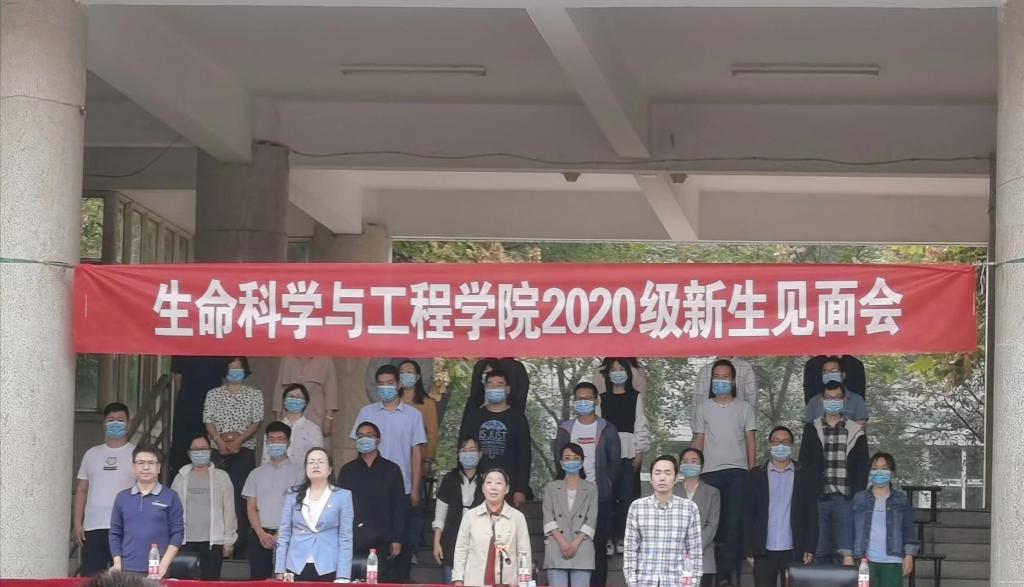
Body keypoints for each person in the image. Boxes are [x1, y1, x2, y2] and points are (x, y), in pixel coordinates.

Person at [349, 364, 426, 581]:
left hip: (402, 488)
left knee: (401, 545)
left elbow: (416, 453)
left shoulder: (413, 415)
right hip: (370, 490)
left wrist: (416, 488)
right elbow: (358, 447)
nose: (385, 388)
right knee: (371, 548)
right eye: (381, 384)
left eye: (389, 383)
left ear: (399, 384)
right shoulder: (366, 412)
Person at [691, 359, 757, 587]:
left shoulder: (744, 408)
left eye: (725, 377)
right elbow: (699, 440)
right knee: (707, 525)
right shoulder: (703, 408)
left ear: (733, 380)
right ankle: (704, 574)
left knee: (733, 525)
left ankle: (724, 576)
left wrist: (752, 469)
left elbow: (751, 440)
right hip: (709, 473)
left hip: (738, 473)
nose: (720, 381)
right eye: (716, 377)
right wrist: (694, 470)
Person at [552, 382, 620, 587]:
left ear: (596, 401)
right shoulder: (566, 429)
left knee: (597, 548)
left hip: (599, 497)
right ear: (574, 402)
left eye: (588, 398)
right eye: (579, 399)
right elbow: (558, 460)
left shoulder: (607, 429)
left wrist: (607, 485)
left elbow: (614, 462)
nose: (583, 402)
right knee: (570, 545)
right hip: (570, 498)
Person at [798, 380, 868, 567]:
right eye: (829, 398)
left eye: (837, 397)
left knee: (844, 551)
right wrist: (808, 494)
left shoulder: (855, 430)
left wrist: (856, 496)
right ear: (822, 400)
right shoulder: (811, 429)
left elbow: (862, 467)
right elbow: (804, 463)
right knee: (818, 550)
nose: (833, 401)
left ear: (844, 400)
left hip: (845, 500)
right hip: (818, 499)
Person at [203, 356, 264, 555]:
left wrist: (239, 441)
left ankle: (239, 546)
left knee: (240, 498)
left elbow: (256, 422)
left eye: (239, 368)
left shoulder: (254, 394)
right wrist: (219, 441)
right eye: (231, 368)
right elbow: (208, 420)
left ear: (245, 370)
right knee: (217, 496)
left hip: (243, 450)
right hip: (218, 451)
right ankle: (216, 542)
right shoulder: (213, 394)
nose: (235, 372)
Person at [744, 427, 818, 587]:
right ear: (769, 444)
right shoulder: (756, 475)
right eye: (776, 442)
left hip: (794, 549)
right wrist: (748, 547)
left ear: (792, 445)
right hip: (763, 549)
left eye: (785, 442)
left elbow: (811, 514)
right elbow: (747, 514)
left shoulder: (804, 474)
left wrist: (810, 546)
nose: (780, 446)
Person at [337, 421, 408, 582]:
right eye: (360, 436)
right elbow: (339, 507)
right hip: (353, 540)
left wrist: (397, 538)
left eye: (369, 435)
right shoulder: (348, 470)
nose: (364, 439)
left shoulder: (392, 469)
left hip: (383, 541)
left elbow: (399, 507)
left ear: (378, 440)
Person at [74, 402, 137, 577]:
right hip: (93, 527)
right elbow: (82, 489)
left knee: (125, 578)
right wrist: (78, 523)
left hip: (126, 527)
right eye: (111, 420)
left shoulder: (137, 455)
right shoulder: (91, 454)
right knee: (92, 578)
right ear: (104, 423)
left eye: (120, 420)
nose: (115, 423)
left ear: (128, 423)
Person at [595, 358, 650, 556]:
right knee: (607, 498)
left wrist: (639, 452)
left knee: (626, 498)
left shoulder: (635, 396)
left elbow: (641, 424)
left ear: (627, 373)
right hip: (607, 455)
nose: (617, 372)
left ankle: (623, 538)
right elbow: (598, 428)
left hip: (629, 453)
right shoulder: (601, 398)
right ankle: (608, 538)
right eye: (613, 369)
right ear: (608, 374)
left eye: (621, 369)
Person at [276, 448, 354, 582]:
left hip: (329, 565)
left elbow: (346, 538)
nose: (316, 465)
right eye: (311, 462)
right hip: (295, 565)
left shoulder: (343, 496)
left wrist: (343, 575)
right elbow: (284, 533)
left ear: (330, 469)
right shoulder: (293, 494)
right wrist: (280, 569)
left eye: (321, 462)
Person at [623, 455, 703, 587]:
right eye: (657, 473)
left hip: (677, 582)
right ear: (651, 478)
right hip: (644, 581)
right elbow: (630, 549)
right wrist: (632, 582)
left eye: (667, 473)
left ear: (676, 478)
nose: (662, 478)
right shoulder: (637, 507)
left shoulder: (689, 508)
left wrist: (691, 583)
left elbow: (694, 551)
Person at [109, 444, 184, 577]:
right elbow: (115, 533)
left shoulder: (171, 496)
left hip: (158, 570)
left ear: (159, 467)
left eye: (151, 463)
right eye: (140, 463)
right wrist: (117, 564)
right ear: (134, 467)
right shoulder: (122, 497)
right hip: (126, 570)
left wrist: (164, 565)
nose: (145, 467)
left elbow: (177, 533)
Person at [242, 422, 305, 580]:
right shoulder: (256, 473)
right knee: (258, 580)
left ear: (288, 443)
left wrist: (280, 534)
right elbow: (251, 507)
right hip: (260, 535)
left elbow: (299, 507)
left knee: (287, 580)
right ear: (266, 442)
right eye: (271, 439)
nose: (275, 443)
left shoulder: (300, 473)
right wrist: (260, 533)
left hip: (289, 535)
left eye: (280, 439)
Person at [170, 433, 238, 580]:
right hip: (185, 541)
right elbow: (173, 511)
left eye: (203, 449)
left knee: (210, 581)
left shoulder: (222, 477)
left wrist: (228, 540)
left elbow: (229, 511)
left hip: (213, 542)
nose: (200, 452)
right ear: (189, 453)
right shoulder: (181, 477)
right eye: (195, 449)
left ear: (210, 451)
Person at [461, 369, 532, 508]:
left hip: (508, 486)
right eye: (490, 384)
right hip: (478, 485)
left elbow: (525, 456)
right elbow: (464, 449)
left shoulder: (518, 418)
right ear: (485, 388)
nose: (494, 388)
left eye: (499, 384)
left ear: (507, 389)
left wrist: (521, 489)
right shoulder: (475, 417)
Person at [452, 468, 532, 587]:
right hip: (474, 582)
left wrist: (524, 582)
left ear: (507, 489)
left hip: (508, 582)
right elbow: (461, 550)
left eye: (499, 483)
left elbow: (524, 554)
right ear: (483, 488)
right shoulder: (470, 516)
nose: (493, 487)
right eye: (489, 482)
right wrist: (458, 579)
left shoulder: (517, 517)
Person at [852, 453, 919, 587]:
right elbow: (849, 529)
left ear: (892, 473)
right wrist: (848, 555)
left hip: (893, 561)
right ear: (870, 472)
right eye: (875, 468)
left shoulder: (901, 500)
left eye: (884, 468)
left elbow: (909, 531)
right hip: (865, 562)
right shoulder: (859, 498)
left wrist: (909, 556)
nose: (879, 472)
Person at [398, 359, 440, 563]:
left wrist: (428, 459)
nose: (406, 375)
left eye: (410, 371)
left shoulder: (427, 403)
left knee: (414, 505)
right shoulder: (394, 401)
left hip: (416, 460)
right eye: (402, 371)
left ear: (417, 376)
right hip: (394, 460)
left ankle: (412, 548)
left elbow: (432, 433)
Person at [543, 443, 598, 587]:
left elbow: (591, 518)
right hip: (556, 547)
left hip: (582, 547)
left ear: (582, 461)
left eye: (575, 458)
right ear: (561, 462)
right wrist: (563, 543)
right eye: (567, 458)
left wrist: (574, 544)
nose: (571, 461)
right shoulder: (551, 487)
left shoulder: (591, 488)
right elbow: (548, 517)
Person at [433, 436, 485, 583]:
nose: (468, 453)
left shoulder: (486, 480)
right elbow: (440, 513)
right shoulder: (450, 479)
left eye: (472, 450)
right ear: (458, 453)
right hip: (451, 540)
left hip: (478, 542)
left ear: (480, 454)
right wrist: (437, 542)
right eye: (464, 450)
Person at [170, 356, 230, 477]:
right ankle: (180, 482)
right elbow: (177, 379)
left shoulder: (221, 349)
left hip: (214, 405)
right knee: (183, 450)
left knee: (212, 448)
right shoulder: (180, 349)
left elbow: (226, 379)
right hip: (187, 407)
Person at [675, 448, 721, 587]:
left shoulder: (713, 492)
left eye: (694, 461)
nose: (689, 464)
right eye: (685, 461)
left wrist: (694, 547)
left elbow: (712, 525)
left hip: (703, 555)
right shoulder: (672, 491)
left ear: (701, 465)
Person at [274, 357, 339, 437]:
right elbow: (280, 389)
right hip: (289, 413)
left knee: (314, 440)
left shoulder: (325, 359)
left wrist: (328, 418)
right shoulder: (287, 359)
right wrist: (277, 417)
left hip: (315, 414)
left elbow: (331, 390)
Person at [263, 384, 324, 466]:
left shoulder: (314, 429)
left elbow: (318, 458)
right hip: (276, 473)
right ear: (284, 401)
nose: (294, 399)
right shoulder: (274, 428)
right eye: (290, 396)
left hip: (303, 473)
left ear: (306, 402)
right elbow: (265, 457)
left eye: (299, 397)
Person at [803, 356, 869, 427]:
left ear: (843, 375)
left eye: (834, 371)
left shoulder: (857, 400)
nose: (829, 374)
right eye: (825, 372)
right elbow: (808, 428)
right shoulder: (813, 401)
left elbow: (860, 428)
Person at [692, 358, 759, 422]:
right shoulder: (705, 369)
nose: (720, 380)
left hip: (738, 421)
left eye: (726, 376)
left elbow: (752, 396)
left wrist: (751, 422)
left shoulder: (745, 367)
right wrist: (695, 423)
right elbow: (698, 396)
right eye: (716, 376)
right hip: (708, 421)